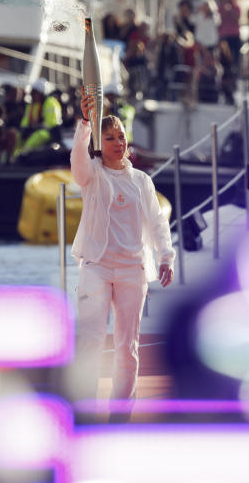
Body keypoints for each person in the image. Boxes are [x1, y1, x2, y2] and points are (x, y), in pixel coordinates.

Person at [69, 92, 174, 419]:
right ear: (100, 143)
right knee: (90, 342)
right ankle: (84, 409)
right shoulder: (92, 175)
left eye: (121, 137)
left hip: (132, 271)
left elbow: (158, 222)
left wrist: (166, 257)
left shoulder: (142, 181)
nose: (117, 142)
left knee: (127, 349)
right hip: (96, 268)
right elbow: (77, 162)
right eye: (110, 137)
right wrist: (85, 123)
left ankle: (120, 414)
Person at [15, 77, 63, 158]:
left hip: (50, 133)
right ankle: (11, 159)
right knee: (18, 136)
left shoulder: (51, 102)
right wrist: (25, 130)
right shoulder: (32, 105)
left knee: (39, 135)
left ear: (41, 93)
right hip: (34, 130)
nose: (32, 95)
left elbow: (51, 124)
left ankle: (22, 155)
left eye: (34, 93)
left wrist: (34, 128)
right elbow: (25, 122)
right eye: (32, 93)